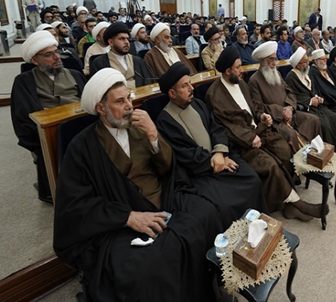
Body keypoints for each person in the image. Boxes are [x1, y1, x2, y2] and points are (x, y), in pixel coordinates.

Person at [54, 68, 220, 302]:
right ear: (101, 108)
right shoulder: (82, 148)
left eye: (129, 98)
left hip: (162, 198)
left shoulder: (140, 127)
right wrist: (128, 217)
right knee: (144, 265)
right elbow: (75, 205)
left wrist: (153, 136)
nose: (129, 106)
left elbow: (167, 168)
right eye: (120, 101)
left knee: (205, 217)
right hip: (119, 218)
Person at [206, 47, 325, 221]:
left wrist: (262, 117)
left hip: (260, 130)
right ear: (228, 70)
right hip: (242, 142)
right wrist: (250, 137)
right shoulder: (215, 94)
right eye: (238, 67)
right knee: (270, 165)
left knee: (284, 150)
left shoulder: (241, 84)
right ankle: (296, 204)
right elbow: (227, 126)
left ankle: (288, 205)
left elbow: (253, 110)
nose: (241, 70)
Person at [155, 62, 266, 228]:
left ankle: (258, 226)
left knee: (252, 179)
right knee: (224, 202)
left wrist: (220, 153)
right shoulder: (165, 121)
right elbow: (186, 154)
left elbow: (217, 129)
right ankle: (236, 236)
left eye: (190, 83)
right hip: (200, 172)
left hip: (220, 157)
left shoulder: (197, 104)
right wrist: (215, 162)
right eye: (185, 86)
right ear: (172, 93)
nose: (191, 88)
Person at [11, 31, 86, 203]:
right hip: (49, 135)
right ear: (35, 60)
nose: (56, 57)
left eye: (56, 52)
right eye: (48, 54)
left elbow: (91, 102)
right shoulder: (24, 81)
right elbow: (23, 119)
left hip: (82, 127)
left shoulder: (75, 74)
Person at [248, 42, 322, 152]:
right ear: (262, 60)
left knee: (313, 120)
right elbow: (258, 108)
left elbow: (290, 92)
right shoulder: (254, 80)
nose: (274, 63)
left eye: (275, 59)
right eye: (271, 59)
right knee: (291, 134)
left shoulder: (276, 73)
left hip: (290, 113)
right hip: (275, 120)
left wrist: (290, 108)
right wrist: (281, 112)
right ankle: (301, 161)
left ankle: (316, 154)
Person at [285, 48, 336, 152]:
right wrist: (311, 101)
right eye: (305, 62)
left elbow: (313, 89)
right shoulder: (291, 77)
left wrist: (317, 97)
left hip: (317, 106)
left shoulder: (305, 73)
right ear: (298, 65)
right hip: (306, 108)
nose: (308, 64)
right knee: (325, 124)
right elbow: (294, 96)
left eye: (307, 61)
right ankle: (329, 152)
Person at [90, 22, 155, 87]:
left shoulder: (137, 61)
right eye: (121, 39)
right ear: (111, 42)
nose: (126, 42)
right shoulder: (100, 63)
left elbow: (149, 83)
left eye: (127, 39)